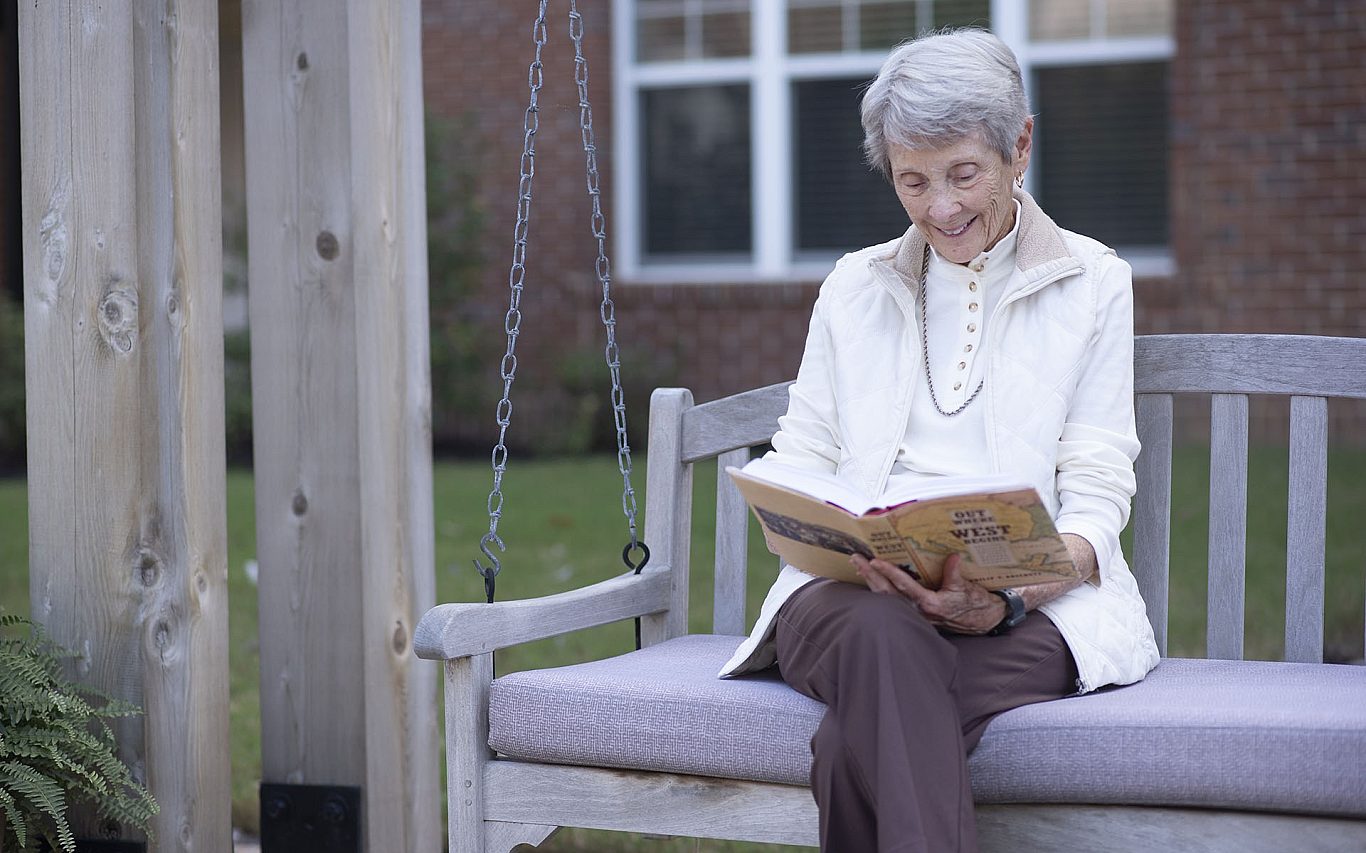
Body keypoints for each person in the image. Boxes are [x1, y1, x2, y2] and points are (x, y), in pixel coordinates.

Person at [717, 28, 1160, 852]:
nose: (942, 208)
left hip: (1030, 615)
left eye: (963, 174)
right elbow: (801, 456)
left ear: (1019, 143)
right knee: (885, 634)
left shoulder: (1096, 283)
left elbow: (1099, 499)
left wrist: (1006, 601)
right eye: (912, 181)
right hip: (849, 603)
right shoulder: (855, 285)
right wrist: (816, 518)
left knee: (858, 734)